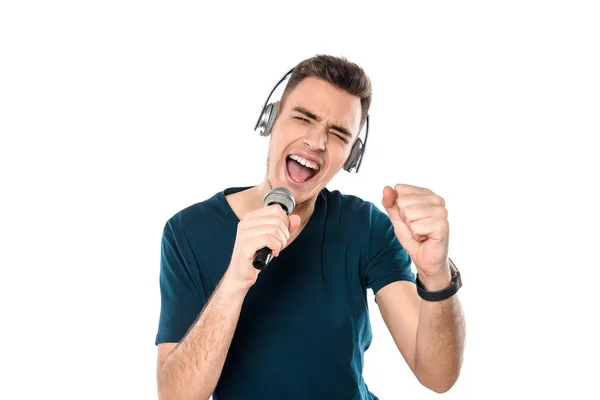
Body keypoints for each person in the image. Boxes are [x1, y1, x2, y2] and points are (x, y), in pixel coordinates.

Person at [154, 54, 466, 400]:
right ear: (270, 119)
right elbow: (176, 396)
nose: (317, 142)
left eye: (338, 134)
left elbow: (438, 376)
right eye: (304, 118)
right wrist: (234, 281)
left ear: (352, 156)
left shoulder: (365, 227)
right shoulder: (188, 232)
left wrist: (436, 275)